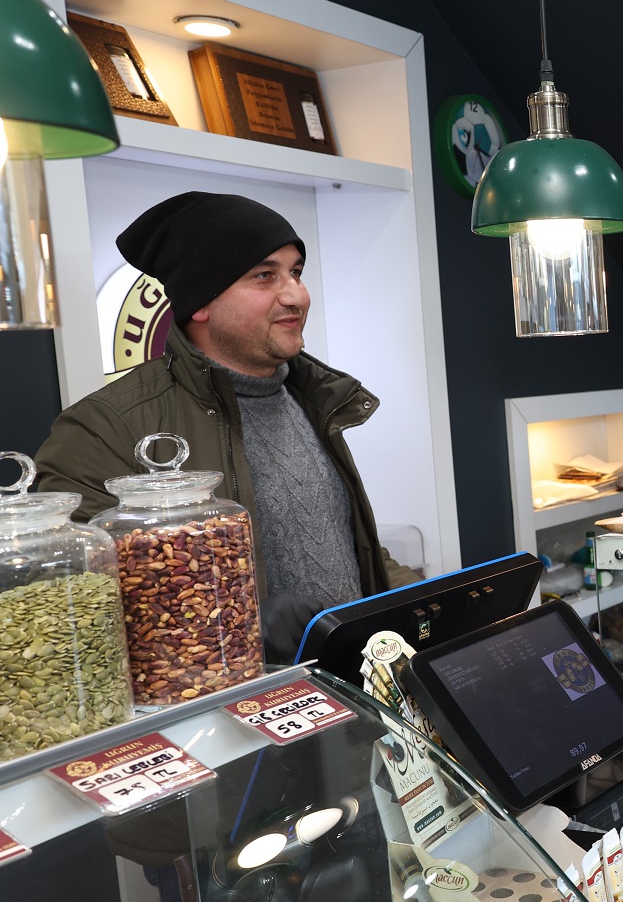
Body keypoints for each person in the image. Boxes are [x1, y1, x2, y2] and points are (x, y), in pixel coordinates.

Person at [35, 192, 418, 660]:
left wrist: (427, 603)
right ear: (200, 302)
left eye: (296, 272)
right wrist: (239, 625)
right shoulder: (103, 429)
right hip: (225, 697)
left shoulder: (313, 398)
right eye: (264, 276)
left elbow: (349, 547)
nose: (297, 295)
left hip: (350, 683)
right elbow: (74, 603)